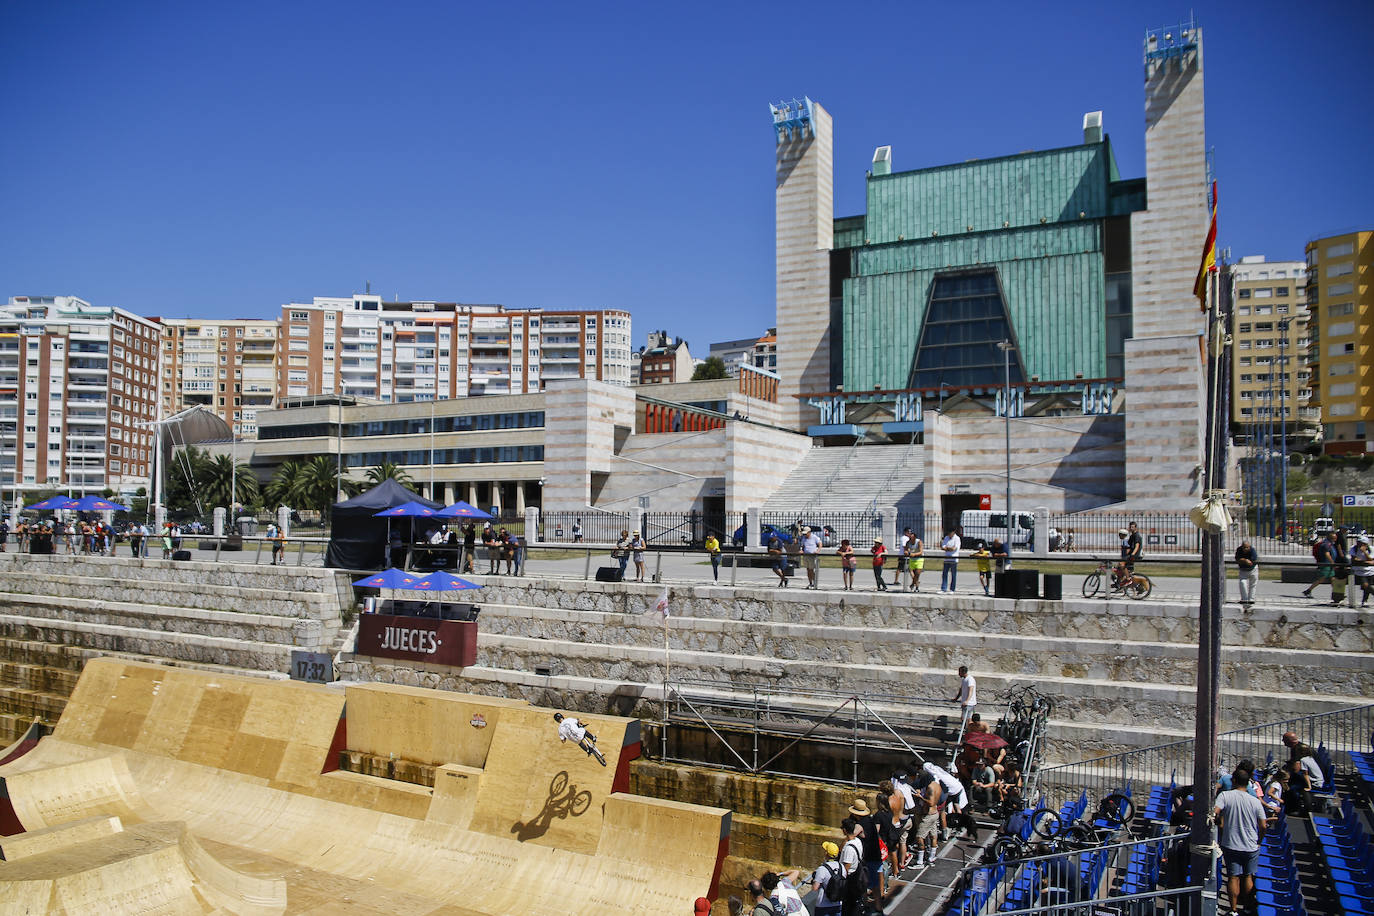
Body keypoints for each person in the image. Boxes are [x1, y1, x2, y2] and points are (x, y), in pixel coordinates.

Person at [1215, 766, 1266, 916]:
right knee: (1248, 876)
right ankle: (1248, 906)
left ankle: (1234, 909)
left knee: (1233, 876)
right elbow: (1263, 825)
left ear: (1234, 781)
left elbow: (1216, 811)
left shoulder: (1225, 796)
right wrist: (1259, 841)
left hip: (1231, 843)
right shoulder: (1255, 801)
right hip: (1251, 844)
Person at [809, 841, 844, 916]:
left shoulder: (822, 869)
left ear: (826, 854)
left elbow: (815, 888)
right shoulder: (842, 867)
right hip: (838, 903)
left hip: (823, 905)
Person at [1114, 521, 1142, 590]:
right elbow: (1129, 546)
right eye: (1130, 527)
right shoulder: (1132, 535)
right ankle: (1118, 584)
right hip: (1131, 554)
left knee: (1121, 564)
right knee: (1119, 568)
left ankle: (1128, 579)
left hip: (1135, 555)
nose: (1131, 528)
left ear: (1135, 528)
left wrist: (1132, 554)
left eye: (1132, 527)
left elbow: (1137, 546)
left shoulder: (1136, 535)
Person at [950, 665, 977, 737]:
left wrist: (967, 701)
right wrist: (956, 698)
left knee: (966, 719)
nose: (958, 674)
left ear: (963, 672)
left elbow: (971, 690)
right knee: (965, 719)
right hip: (965, 703)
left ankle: (969, 733)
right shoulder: (964, 679)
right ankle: (968, 732)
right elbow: (961, 690)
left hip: (969, 703)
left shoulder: (970, 679)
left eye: (959, 672)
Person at [1234, 539, 1258, 608]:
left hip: (1253, 569)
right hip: (1243, 570)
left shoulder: (1252, 550)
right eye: (1244, 547)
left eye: (1247, 547)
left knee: (1253, 584)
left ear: (1249, 547)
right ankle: (1244, 600)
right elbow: (1237, 558)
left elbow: (1253, 559)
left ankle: (1251, 600)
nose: (1245, 549)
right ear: (1242, 547)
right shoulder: (1239, 550)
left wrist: (1244, 560)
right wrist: (1245, 560)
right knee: (1242, 583)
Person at [1352, 534, 1373, 607]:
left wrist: (1364, 552)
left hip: (1370, 571)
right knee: (1365, 585)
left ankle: (1364, 601)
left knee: (1366, 587)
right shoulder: (1354, 548)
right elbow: (1354, 560)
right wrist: (1365, 561)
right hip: (1359, 571)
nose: (1358, 544)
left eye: (1360, 543)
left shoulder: (1371, 549)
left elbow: (1371, 560)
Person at [939, 529, 960, 593]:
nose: (949, 534)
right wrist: (948, 548)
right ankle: (943, 588)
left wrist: (947, 548)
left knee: (953, 575)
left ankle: (952, 589)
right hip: (946, 558)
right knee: (944, 574)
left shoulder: (957, 538)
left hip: (954, 559)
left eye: (950, 532)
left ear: (953, 532)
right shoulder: (946, 537)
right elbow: (943, 547)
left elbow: (954, 548)